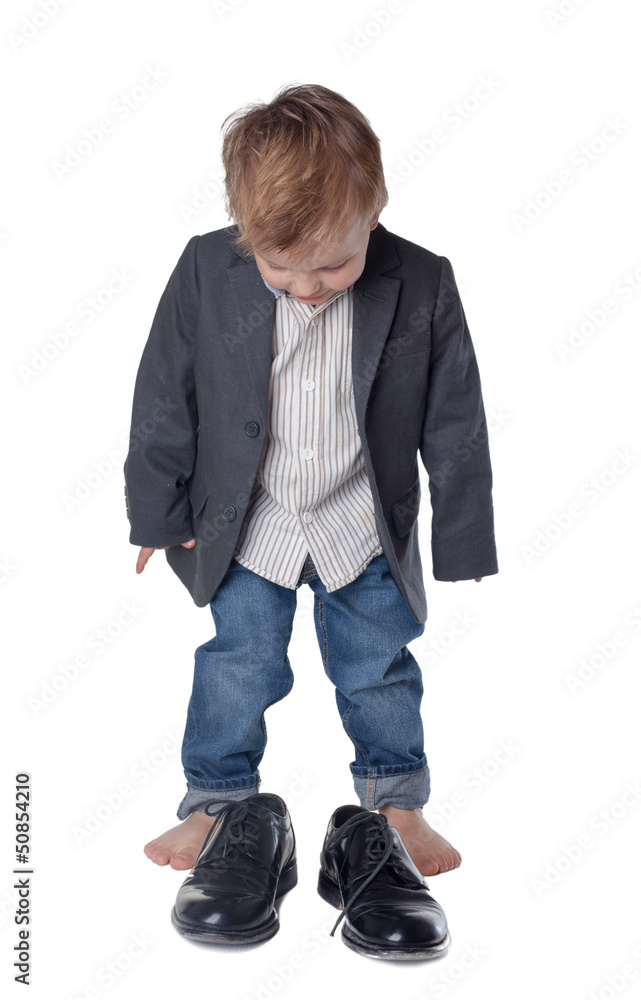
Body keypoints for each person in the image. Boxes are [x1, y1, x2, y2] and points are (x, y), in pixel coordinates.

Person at [123, 83, 498, 957]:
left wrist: (463, 535)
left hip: (358, 518)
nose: (306, 287)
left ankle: (395, 803)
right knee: (236, 663)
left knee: (376, 667)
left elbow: (455, 416)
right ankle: (216, 804)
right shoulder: (204, 271)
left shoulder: (422, 281)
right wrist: (154, 511)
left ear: (372, 213)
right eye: (280, 268)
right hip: (246, 521)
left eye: (329, 266)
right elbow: (163, 396)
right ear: (244, 232)